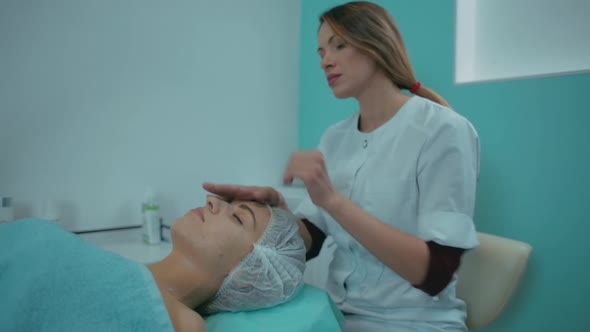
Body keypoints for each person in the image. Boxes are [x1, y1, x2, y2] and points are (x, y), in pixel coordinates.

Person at [203, 1, 480, 331]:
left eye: (339, 45)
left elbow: (434, 273)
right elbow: (311, 240)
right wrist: (274, 211)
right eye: (320, 52)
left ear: (376, 45)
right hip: (339, 316)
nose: (325, 61)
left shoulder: (443, 131)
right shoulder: (335, 139)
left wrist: (333, 201)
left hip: (415, 323)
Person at [0, 196, 306, 332]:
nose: (213, 201)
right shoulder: (116, 269)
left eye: (238, 217)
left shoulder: (184, 324)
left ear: (247, 273)